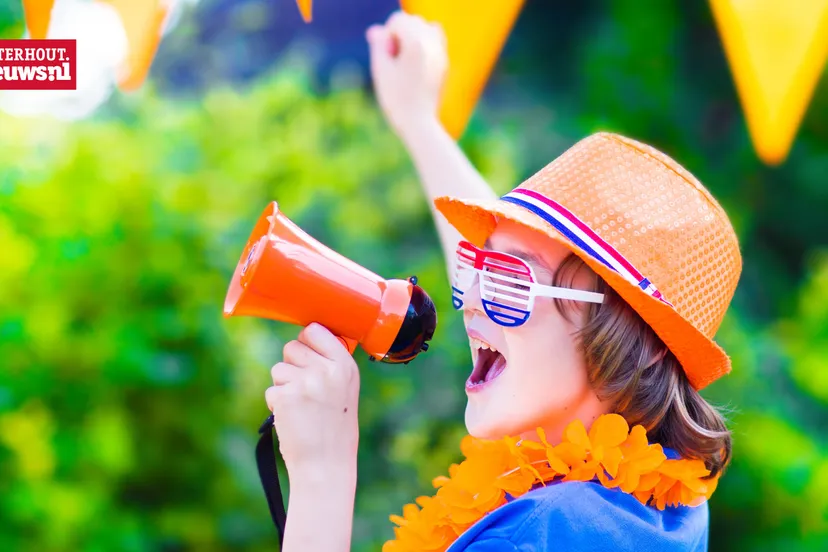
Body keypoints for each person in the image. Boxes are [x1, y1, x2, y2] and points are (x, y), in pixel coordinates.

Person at [263, 11, 742, 552]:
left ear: (642, 344)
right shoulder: (660, 503)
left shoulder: (541, 535)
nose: (469, 304)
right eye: (476, 272)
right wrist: (419, 120)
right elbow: (526, 285)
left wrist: (322, 472)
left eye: (511, 284)